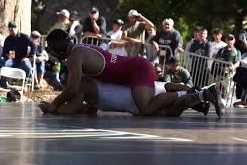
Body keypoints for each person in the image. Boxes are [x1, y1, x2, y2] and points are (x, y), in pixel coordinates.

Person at [39, 29, 223, 117]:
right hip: (133, 69)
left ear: (59, 47)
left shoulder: (74, 57)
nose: (52, 55)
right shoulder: (79, 49)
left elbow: (71, 90)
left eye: (52, 51)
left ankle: (187, 93)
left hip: (136, 70)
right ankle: (196, 96)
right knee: (161, 106)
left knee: (146, 108)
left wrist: (53, 106)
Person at [45, 76, 210, 117]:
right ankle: (199, 97)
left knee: (168, 102)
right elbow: (85, 109)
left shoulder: (83, 83)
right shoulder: (89, 91)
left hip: (136, 100)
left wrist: (52, 107)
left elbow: (73, 108)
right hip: (134, 103)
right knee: (173, 111)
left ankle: (194, 95)